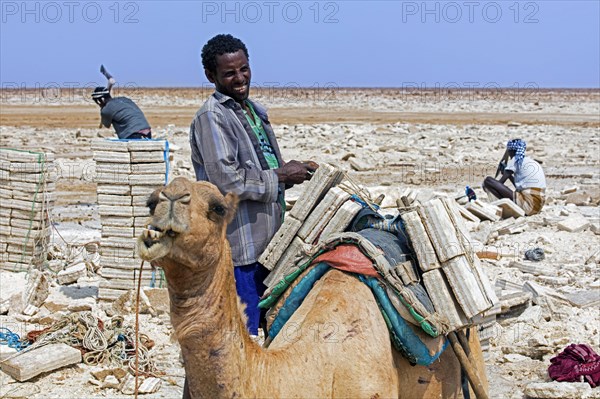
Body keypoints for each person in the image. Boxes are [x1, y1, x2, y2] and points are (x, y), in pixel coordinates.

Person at [189, 34, 318, 337]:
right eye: (229, 73)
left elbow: (261, 167)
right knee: (239, 339)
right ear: (211, 76)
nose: (240, 78)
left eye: (244, 69)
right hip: (241, 249)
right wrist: (283, 176)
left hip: (269, 245)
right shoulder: (212, 116)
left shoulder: (252, 110)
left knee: (273, 332)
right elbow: (227, 179)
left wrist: (295, 169)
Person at [483, 138, 546, 216]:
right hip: (536, 206)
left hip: (529, 204)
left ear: (510, 151)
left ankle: (501, 208)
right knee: (498, 186)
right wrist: (507, 174)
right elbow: (518, 187)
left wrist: (487, 186)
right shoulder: (529, 161)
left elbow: (500, 183)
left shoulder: (515, 160)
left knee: (488, 180)